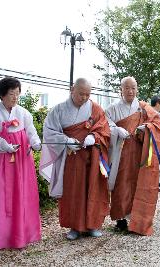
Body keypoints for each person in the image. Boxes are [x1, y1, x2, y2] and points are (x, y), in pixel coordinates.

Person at [40, 78, 110, 240]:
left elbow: (104, 129)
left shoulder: (95, 108)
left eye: (87, 94)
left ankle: (93, 225)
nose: (84, 97)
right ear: (72, 89)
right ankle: (74, 227)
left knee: (93, 189)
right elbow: (49, 131)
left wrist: (94, 136)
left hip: (92, 157)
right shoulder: (59, 110)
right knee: (73, 192)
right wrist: (66, 141)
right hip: (70, 158)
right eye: (81, 94)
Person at [0, 77, 41, 250]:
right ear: (2, 95)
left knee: (22, 193)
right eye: (11, 93)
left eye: (17, 93)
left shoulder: (24, 113)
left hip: (21, 159)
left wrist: (35, 143)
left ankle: (21, 236)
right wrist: (5, 145)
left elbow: (31, 131)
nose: (15, 97)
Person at [106, 76, 160, 236]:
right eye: (127, 88)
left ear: (137, 89)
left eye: (133, 88)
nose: (130, 91)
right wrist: (116, 130)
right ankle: (120, 218)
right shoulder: (112, 108)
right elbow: (105, 124)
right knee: (121, 183)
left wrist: (147, 128)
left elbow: (157, 123)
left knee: (139, 182)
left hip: (140, 150)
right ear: (121, 90)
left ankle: (138, 218)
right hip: (120, 150)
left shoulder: (144, 108)